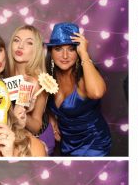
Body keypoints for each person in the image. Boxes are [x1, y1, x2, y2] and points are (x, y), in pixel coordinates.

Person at [44, 22, 111, 156]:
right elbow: (44, 102)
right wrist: (51, 118)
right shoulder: (48, 76)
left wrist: (84, 54)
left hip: (94, 144)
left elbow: (97, 93)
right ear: (51, 51)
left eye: (71, 49)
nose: (65, 56)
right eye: (58, 49)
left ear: (78, 51)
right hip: (66, 144)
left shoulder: (83, 77)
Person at [8, 25, 51, 138]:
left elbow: (37, 126)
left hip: (32, 139)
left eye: (29, 43)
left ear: (36, 50)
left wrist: (23, 116)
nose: (20, 46)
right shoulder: (6, 74)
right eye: (16, 40)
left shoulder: (37, 82)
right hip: (10, 137)